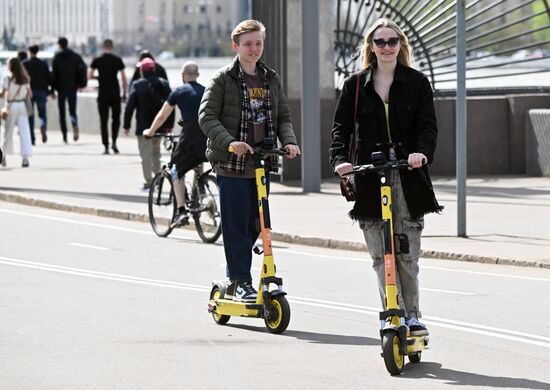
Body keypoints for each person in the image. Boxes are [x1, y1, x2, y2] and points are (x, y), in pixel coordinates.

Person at [330, 18, 442, 336]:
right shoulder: (354, 86)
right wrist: (340, 161)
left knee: (407, 250)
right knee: (382, 253)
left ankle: (414, 316)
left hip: (408, 174)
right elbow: (340, 129)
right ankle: (391, 311)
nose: (387, 47)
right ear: (371, 47)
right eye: (380, 42)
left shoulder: (417, 83)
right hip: (370, 175)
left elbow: (428, 127)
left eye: (392, 41)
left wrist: (421, 153)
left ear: (400, 45)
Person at [199, 19, 300, 302]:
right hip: (231, 164)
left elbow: (283, 117)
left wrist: (289, 141)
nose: (254, 49)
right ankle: (239, 279)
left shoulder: (270, 78)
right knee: (235, 224)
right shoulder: (223, 78)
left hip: (260, 163)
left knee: (257, 224)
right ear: (236, 46)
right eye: (248, 44)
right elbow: (206, 117)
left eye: (258, 43)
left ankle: (236, 276)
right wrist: (230, 142)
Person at [143, 61, 206, 227]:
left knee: (176, 170)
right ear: (197, 75)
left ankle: (181, 211)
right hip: (207, 137)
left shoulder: (179, 92)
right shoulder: (207, 91)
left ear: (182, 75)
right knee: (199, 160)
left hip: (190, 136)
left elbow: (162, 116)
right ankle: (202, 189)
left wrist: (150, 132)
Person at [123, 57, 173, 190]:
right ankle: (158, 180)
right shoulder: (163, 83)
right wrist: (169, 125)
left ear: (142, 71)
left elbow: (130, 106)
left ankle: (149, 182)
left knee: (145, 156)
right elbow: (171, 105)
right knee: (157, 153)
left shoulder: (137, 85)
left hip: (143, 127)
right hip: (160, 126)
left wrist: (126, 125)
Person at [88, 39, 128, 155]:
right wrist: (124, 93)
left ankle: (105, 146)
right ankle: (114, 142)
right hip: (115, 93)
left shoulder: (97, 60)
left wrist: (98, 78)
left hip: (103, 94)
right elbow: (124, 79)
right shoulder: (117, 60)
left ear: (103, 47)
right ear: (112, 46)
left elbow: (89, 75)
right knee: (116, 119)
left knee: (103, 121)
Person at [51, 37, 87, 143]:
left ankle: (65, 136)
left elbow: (53, 75)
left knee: (62, 113)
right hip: (72, 87)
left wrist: (52, 89)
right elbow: (83, 68)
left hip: (61, 89)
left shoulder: (57, 57)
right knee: (72, 111)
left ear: (60, 45)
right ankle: (74, 124)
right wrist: (81, 83)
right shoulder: (76, 57)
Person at [0, 57, 33, 167]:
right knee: (24, 131)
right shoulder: (25, 79)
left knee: (7, 132)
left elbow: (2, 95)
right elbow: (30, 94)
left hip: (11, 105)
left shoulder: (7, 79)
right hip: (22, 105)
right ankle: (25, 158)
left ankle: (4, 156)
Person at [24, 45, 53, 144]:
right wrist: (50, 91)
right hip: (41, 91)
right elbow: (49, 78)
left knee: (30, 115)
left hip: (29, 92)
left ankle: (32, 138)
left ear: (29, 51)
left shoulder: (25, 64)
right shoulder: (43, 64)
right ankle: (43, 125)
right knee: (42, 114)